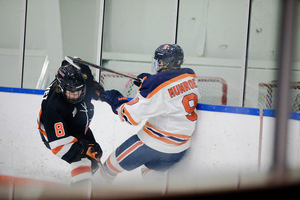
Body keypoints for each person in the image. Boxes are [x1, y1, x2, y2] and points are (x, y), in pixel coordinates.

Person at [99, 44, 200, 184]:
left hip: (152, 145)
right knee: (150, 170)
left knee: (109, 167)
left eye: (160, 60)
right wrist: (148, 82)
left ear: (168, 62)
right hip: (179, 149)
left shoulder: (155, 83)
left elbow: (131, 117)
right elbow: (169, 90)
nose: (158, 63)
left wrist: (116, 100)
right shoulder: (190, 75)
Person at [38, 59, 104, 195]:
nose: (76, 96)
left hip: (75, 123)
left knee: (96, 165)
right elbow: (58, 145)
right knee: (83, 162)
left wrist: (92, 84)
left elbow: (68, 64)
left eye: (80, 91)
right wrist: (84, 149)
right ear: (62, 88)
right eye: (72, 93)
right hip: (55, 137)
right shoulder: (54, 108)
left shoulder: (74, 83)